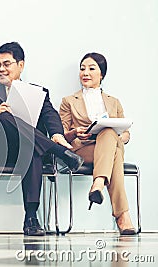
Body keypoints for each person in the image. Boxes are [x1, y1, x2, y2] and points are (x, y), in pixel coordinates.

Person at [0, 42, 84, 236]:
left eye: (6, 64)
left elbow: (51, 117)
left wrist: (58, 135)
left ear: (21, 65)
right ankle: (58, 152)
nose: (1, 69)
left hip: (28, 150)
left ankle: (31, 218)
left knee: (31, 148)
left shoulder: (37, 92)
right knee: (5, 116)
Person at [59, 52, 136, 235]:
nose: (85, 72)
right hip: (82, 149)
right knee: (114, 152)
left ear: (101, 74)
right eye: (82, 68)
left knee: (109, 133)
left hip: (108, 147)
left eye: (91, 68)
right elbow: (61, 134)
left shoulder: (113, 102)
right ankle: (122, 217)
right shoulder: (68, 101)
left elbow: (125, 133)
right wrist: (75, 133)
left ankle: (98, 183)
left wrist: (120, 137)